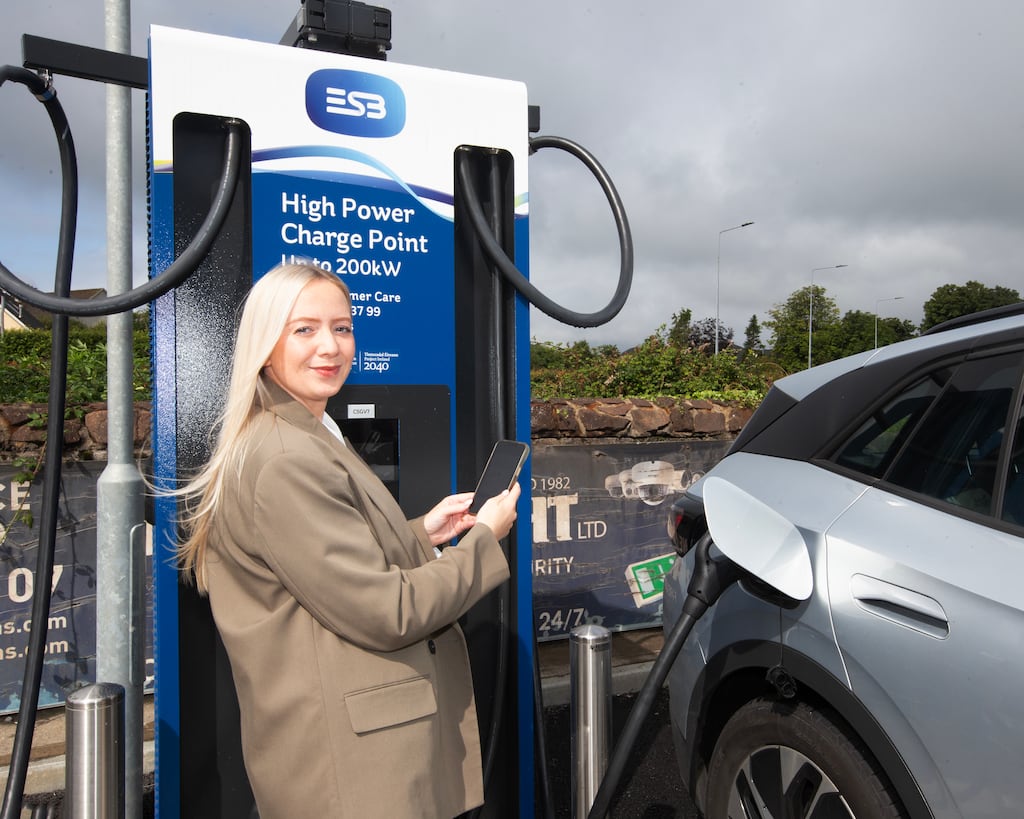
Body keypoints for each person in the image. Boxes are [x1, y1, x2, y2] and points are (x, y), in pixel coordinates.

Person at [175, 261, 520, 818]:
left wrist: (422, 533)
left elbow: (324, 563)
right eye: (304, 329)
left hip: (345, 754)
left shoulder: (299, 435)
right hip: (352, 770)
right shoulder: (287, 459)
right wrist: (484, 539)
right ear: (266, 344)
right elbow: (388, 610)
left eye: (343, 327)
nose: (330, 347)